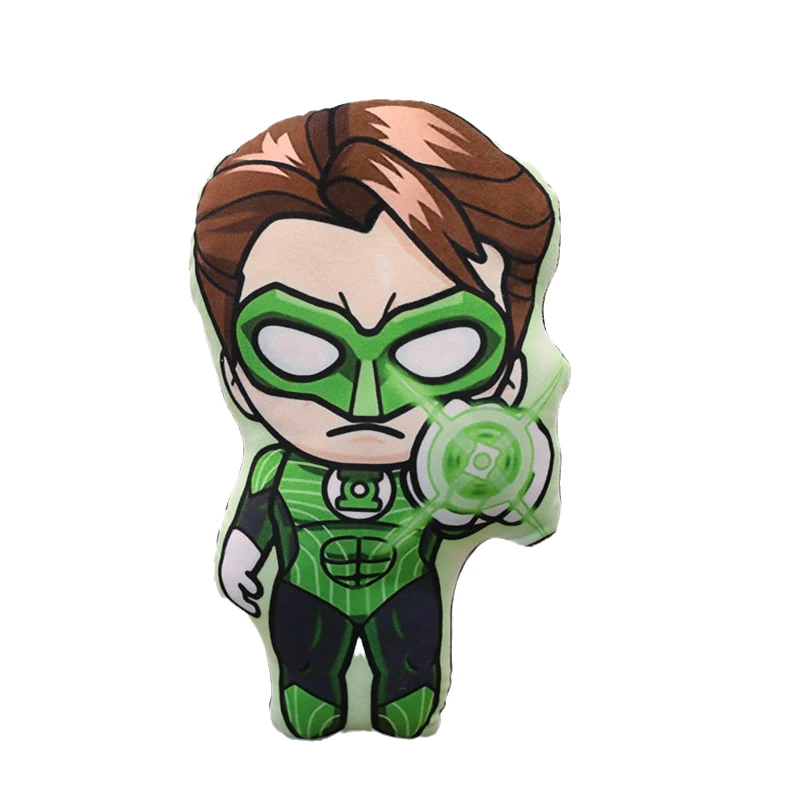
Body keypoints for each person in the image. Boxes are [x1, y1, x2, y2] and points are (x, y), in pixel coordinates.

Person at [193, 100, 562, 738]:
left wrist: (504, 487)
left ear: (511, 373)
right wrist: (243, 555)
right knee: (306, 663)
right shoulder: (280, 470)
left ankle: (407, 697)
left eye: (438, 346)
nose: (367, 403)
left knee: (411, 661)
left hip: (407, 590)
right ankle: (310, 697)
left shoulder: (449, 475)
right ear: (237, 376)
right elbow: (256, 515)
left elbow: (509, 515)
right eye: (299, 346)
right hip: (305, 593)